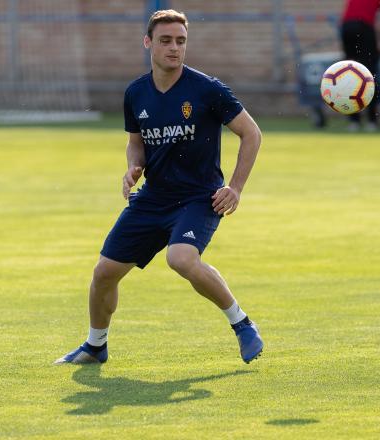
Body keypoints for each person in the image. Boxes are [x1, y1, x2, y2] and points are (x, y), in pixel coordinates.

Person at [54, 10, 264, 365]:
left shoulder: (208, 89)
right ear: (148, 42)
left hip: (200, 198)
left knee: (180, 257)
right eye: (166, 40)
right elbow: (136, 142)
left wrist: (236, 188)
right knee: (104, 273)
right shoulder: (136, 93)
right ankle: (95, 345)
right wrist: (133, 167)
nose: (174, 48)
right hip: (153, 198)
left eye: (181, 41)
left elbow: (251, 133)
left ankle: (242, 323)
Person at [340, 0, 380, 131]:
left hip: (346, 27)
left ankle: (353, 121)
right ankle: (372, 121)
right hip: (363, 27)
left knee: (350, 75)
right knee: (369, 76)